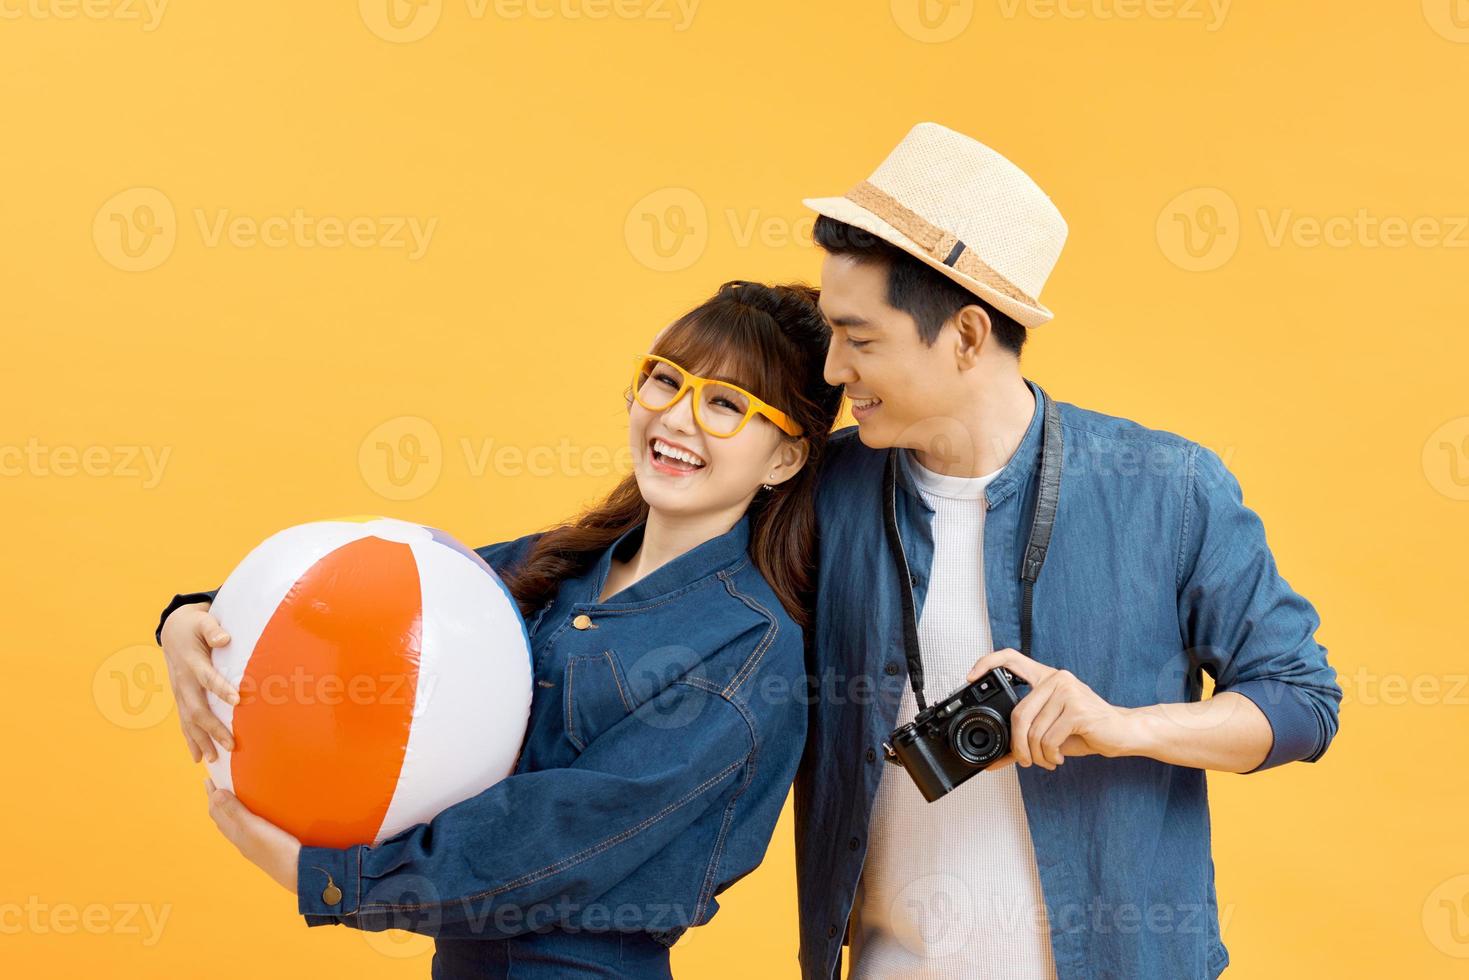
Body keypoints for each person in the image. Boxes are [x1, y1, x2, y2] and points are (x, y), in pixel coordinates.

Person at [153, 280, 844, 979]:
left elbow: (557, 839)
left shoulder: (749, 650)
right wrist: (195, 617)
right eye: (664, 380)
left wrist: (334, 879)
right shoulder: (557, 564)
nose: (676, 417)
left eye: (726, 404)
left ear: (784, 458)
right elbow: (373, 598)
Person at [793, 123, 1342, 979]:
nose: (833, 370)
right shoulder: (823, 493)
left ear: (968, 336)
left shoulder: (1170, 485)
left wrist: (1126, 728)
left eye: (861, 340)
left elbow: (1301, 703)